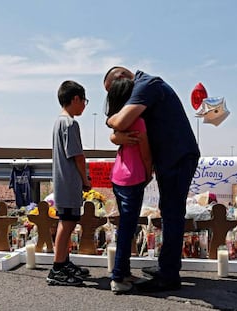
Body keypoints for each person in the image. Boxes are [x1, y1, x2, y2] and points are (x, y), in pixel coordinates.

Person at [104, 67, 200, 292]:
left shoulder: (146, 86)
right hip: (170, 158)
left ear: (122, 79)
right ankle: (167, 267)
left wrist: (112, 125)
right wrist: (115, 132)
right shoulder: (143, 88)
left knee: (172, 212)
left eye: (113, 90)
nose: (116, 96)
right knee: (168, 210)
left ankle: (168, 275)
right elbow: (118, 129)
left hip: (177, 157)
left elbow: (120, 122)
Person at [105, 78, 153, 294]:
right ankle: (117, 277)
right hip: (134, 178)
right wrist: (149, 171)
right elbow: (144, 152)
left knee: (125, 227)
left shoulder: (117, 121)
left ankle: (123, 271)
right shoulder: (139, 122)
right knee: (128, 229)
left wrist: (116, 138)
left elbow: (112, 134)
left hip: (118, 177)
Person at [46, 80, 92, 286]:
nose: (84, 105)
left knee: (66, 221)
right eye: (84, 101)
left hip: (61, 180)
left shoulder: (59, 121)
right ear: (75, 99)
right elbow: (78, 156)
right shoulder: (71, 124)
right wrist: (85, 179)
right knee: (68, 222)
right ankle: (57, 268)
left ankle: (63, 262)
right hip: (70, 181)